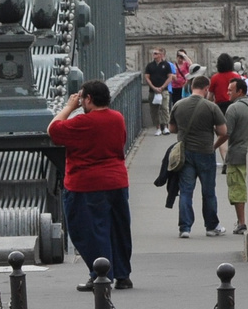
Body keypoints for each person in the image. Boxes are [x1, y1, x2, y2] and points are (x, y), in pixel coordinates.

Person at [48, 80, 132, 290]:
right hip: (117, 181)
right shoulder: (117, 118)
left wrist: (68, 107)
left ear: (88, 99)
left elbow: (53, 130)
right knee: (118, 229)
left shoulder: (82, 123)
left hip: (86, 184)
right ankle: (122, 275)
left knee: (87, 231)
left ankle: (100, 274)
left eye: (81, 97)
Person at [169, 74, 228, 237]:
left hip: (185, 154)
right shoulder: (211, 107)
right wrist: (213, 142)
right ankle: (211, 226)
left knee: (186, 191)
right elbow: (223, 132)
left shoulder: (178, 105)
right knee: (208, 191)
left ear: (191, 86)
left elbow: (172, 128)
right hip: (205, 152)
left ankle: (185, 228)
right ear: (206, 89)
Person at [217, 78, 248, 235]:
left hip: (237, 154)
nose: (228, 93)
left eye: (231, 90)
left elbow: (226, 133)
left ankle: (242, 222)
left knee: (238, 189)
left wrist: (214, 146)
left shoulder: (233, 109)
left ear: (240, 91)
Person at [143, 48, 174, 134]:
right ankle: (158, 127)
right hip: (153, 91)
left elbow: (170, 77)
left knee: (165, 108)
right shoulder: (150, 66)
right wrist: (153, 87)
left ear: (160, 55)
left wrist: (162, 87)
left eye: (156, 54)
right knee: (154, 110)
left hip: (163, 90)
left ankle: (165, 126)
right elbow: (147, 77)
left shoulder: (166, 65)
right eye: (154, 54)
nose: (154, 55)